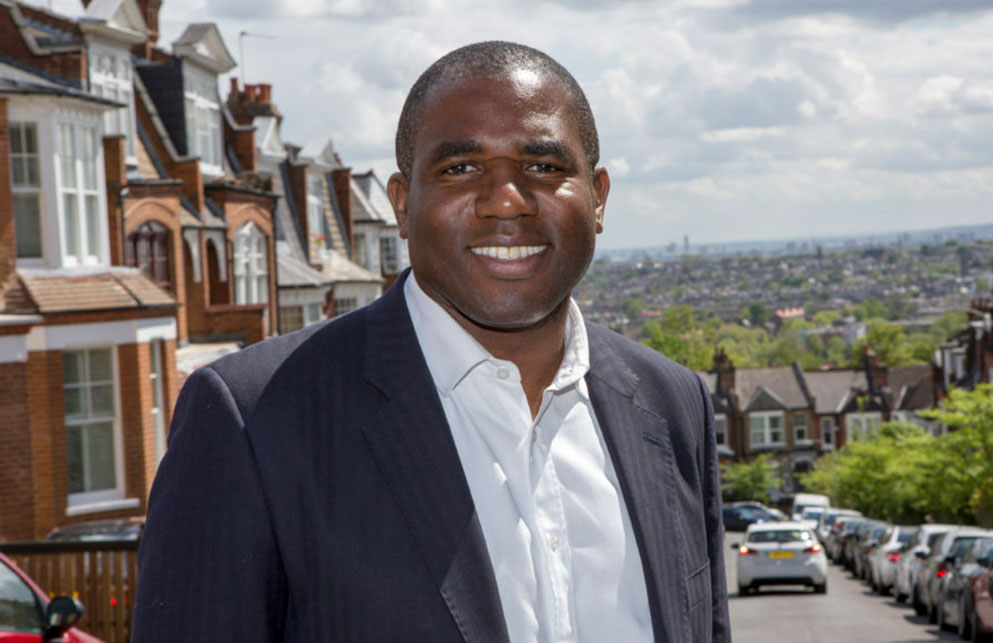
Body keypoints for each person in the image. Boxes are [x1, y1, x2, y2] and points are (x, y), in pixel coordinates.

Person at [131, 41, 729, 642]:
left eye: (543, 166)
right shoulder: (255, 420)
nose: (506, 200)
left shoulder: (674, 404)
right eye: (460, 168)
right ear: (401, 203)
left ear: (598, 196)